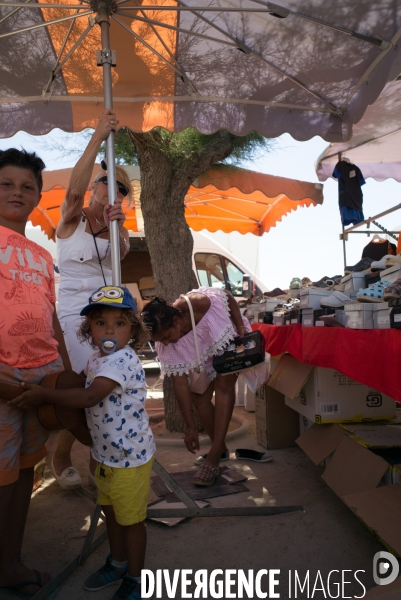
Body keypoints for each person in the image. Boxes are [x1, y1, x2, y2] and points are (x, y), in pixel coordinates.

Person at [10, 285, 155, 600]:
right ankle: (117, 563)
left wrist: (44, 394)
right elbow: (78, 383)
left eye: (119, 323)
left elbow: (89, 396)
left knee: (132, 522)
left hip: (130, 459)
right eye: (100, 322)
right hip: (104, 456)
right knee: (111, 514)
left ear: (133, 328)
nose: (109, 329)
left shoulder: (122, 360)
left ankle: (136, 578)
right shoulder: (96, 359)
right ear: (88, 328)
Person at [0, 148, 71, 597]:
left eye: (27, 187)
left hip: (44, 379)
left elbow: (53, 317)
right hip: (2, 379)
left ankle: (11, 562)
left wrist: (61, 378)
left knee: (25, 471)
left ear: (38, 196)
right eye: (6, 184)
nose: (17, 193)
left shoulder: (42, 256)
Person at [53, 108, 132, 490]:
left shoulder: (120, 230)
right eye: (106, 181)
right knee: (91, 381)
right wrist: (98, 136)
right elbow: (72, 189)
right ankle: (68, 456)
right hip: (70, 307)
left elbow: (124, 258)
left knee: (103, 382)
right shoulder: (72, 216)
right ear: (96, 185)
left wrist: (120, 229)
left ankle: (98, 459)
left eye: (122, 188)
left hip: (104, 310)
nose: (111, 190)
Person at [141, 286, 251, 486]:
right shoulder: (165, 341)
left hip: (226, 337)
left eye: (166, 337)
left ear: (176, 321)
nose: (165, 344)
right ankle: (221, 448)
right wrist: (190, 428)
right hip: (202, 350)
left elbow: (227, 295)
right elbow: (180, 384)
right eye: (160, 341)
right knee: (199, 398)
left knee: (224, 385)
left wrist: (239, 325)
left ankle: (215, 455)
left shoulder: (198, 302)